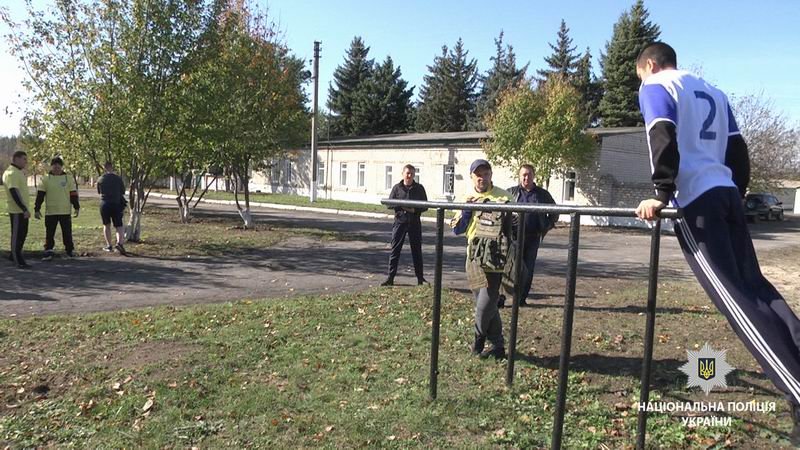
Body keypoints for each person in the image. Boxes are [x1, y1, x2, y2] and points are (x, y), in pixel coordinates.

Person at [635, 42, 800, 443]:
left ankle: (797, 391)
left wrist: (661, 193)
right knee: (757, 289)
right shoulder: (713, 90)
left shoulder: (656, 85)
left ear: (650, 65)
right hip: (725, 192)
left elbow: (661, 132)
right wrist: (735, 191)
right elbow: (737, 149)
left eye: (640, 74)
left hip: (697, 200)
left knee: (738, 302)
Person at [451, 159, 514, 360]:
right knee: (486, 304)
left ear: (491, 175)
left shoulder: (504, 197)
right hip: (474, 257)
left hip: (496, 258)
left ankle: (478, 340)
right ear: (472, 177)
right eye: (478, 174)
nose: (482, 178)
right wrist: (466, 210)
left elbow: (515, 228)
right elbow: (456, 230)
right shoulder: (466, 197)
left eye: (486, 174)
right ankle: (498, 345)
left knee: (484, 304)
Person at [500, 164, 558, 307]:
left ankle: (521, 300)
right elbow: (501, 211)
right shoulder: (511, 192)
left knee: (528, 269)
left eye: (529, 174)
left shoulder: (542, 194)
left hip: (533, 237)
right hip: (514, 237)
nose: (526, 177)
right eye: (524, 175)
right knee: (509, 267)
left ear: (533, 176)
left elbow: (555, 211)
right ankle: (501, 298)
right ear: (519, 176)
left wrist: (546, 225)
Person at [382, 164, 428, 286]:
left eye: (412, 174)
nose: (409, 176)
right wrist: (404, 206)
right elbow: (389, 203)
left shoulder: (419, 188)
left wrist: (414, 210)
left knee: (416, 251)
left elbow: (425, 206)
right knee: (395, 250)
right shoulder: (397, 188)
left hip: (414, 223)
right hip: (400, 222)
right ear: (403, 174)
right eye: (407, 173)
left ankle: (420, 279)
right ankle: (390, 278)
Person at [34, 157, 80, 260]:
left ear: (62, 167)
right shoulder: (45, 179)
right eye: (54, 167)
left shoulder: (68, 178)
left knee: (67, 232)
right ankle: (48, 250)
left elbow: (73, 194)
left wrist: (76, 207)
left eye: (58, 167)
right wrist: (37, 209)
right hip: (51, 211)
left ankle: (69, 251)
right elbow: (40, 195)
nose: (56, 169)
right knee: (50, 233)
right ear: (51, 167)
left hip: (65, 211)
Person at [3, 151, 31, 269]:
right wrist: (23, 208)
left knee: (23, 233)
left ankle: (13, 255)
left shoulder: (18, 172)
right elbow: (14, 192)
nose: (26, 162)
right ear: (16, 159)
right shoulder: (11, 173)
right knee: (17, 235)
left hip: (22, 210)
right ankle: (17, 259)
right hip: (16, 210)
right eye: (24, 159)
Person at [96, 161, 128, 255]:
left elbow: (99, 192)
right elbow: (123, 191)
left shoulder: (100, 179)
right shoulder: (118, 178)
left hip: (104, 204)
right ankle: (119, 243)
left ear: (104, 168)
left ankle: (109, 245)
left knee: (106, 225)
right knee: (119, 225)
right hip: (116, 203)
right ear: (112, 167)